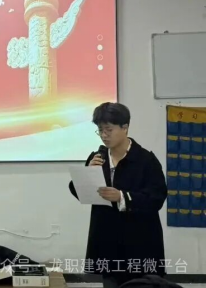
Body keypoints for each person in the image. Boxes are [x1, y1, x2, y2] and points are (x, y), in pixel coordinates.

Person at [69, 102, 167, 288]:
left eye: (109, 130)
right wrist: (89, 172)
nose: (104, 135)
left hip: (139, 242)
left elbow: (156, 198)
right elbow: (80, 191)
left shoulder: (146, 160)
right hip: (106, 240)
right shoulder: (98, 157)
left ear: (125, 127)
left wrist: (122, 197)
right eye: (100, 130)